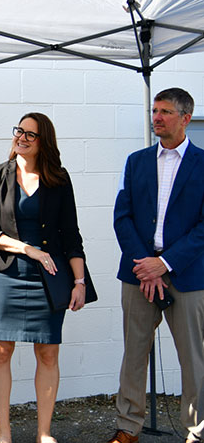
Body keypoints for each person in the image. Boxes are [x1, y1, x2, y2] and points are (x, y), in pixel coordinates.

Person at [0, 112, 88, 443]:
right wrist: (29, 249)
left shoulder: (59, 179)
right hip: (6, 274)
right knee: (0, 350)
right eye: (19, 131)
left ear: (44, 142)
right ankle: (4, 433)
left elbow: (71, 235)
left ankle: (43, 432)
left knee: (48, 352)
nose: (21, 138)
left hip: (50, 277)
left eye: (30, 134)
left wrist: (79, 282)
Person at [109, 88, 204, 443]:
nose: (157, 117)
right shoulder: (136, 161)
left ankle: (196, 430)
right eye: (155, 110)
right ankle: (128, 427)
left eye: (165, 111)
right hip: (138, 273)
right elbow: (123, 217)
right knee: (134, 353)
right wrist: (145, 266)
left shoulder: (203, 164)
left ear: (186, 118)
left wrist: (164, 264)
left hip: (188, 274)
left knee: (194, 360)